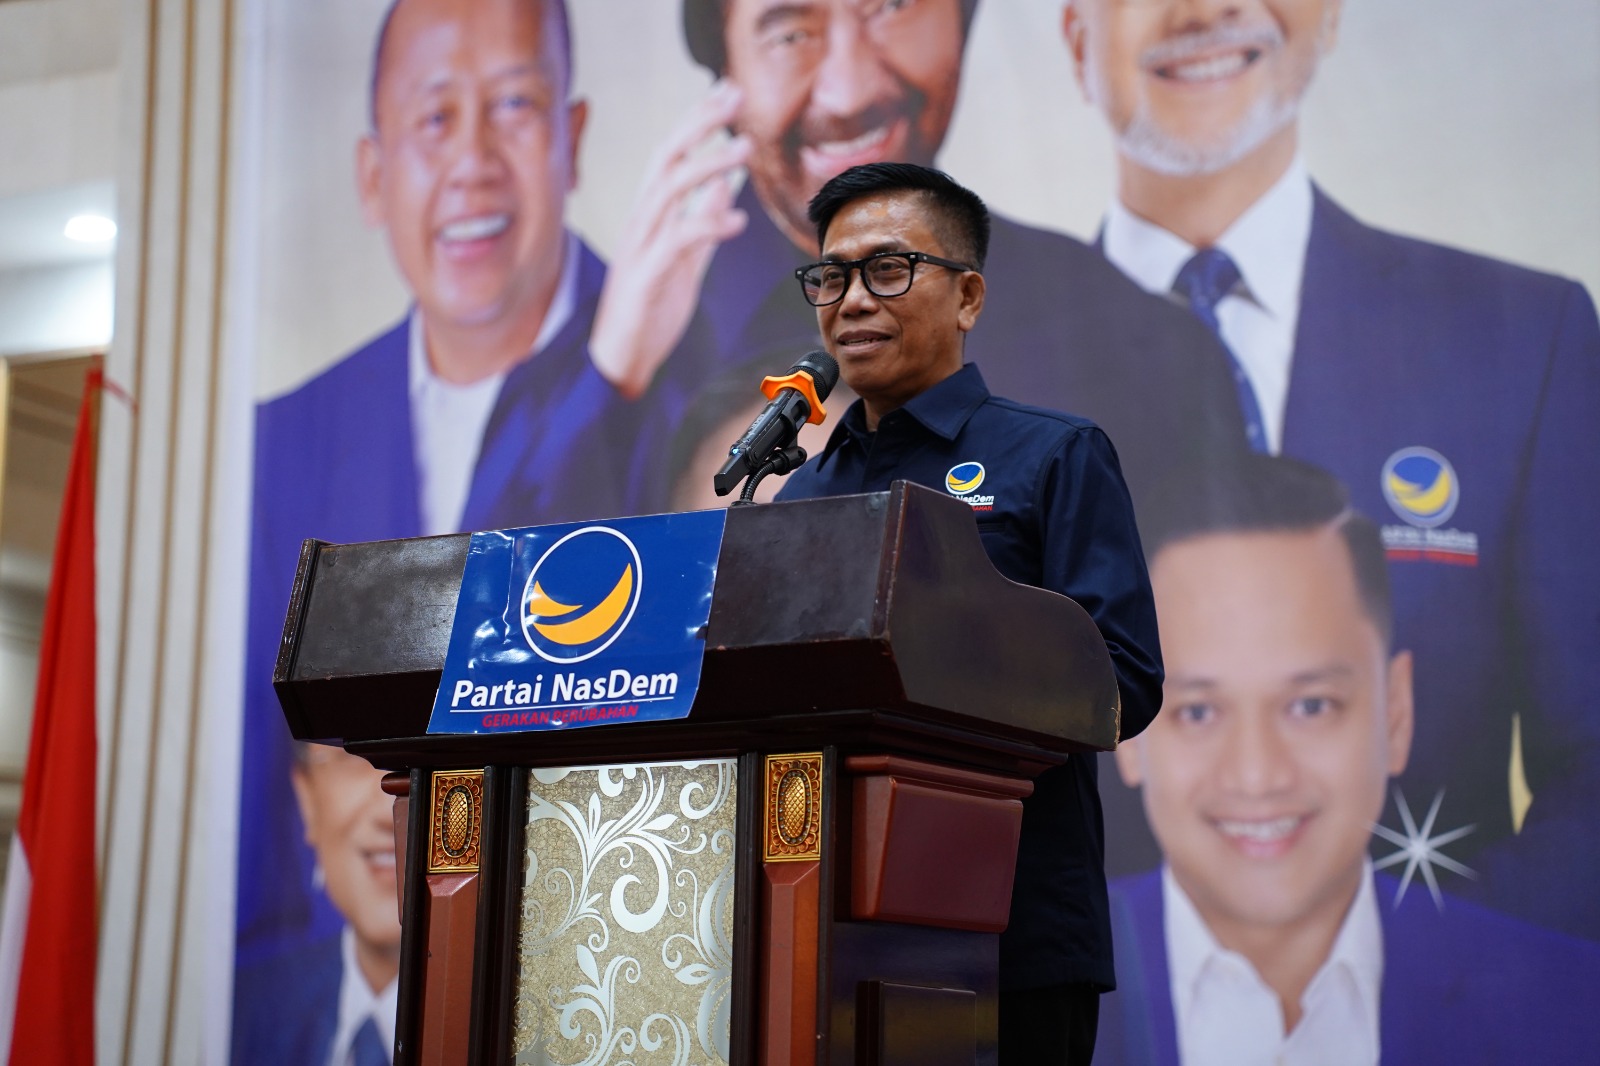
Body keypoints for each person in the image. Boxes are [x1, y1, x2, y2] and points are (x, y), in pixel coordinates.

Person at [1063, 0, 1600, 935]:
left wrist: (1425, 973)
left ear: (1331, 13)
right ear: (1077, 35)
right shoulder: (977, 369)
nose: (1205, 9)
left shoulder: (1522, 338)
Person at [238, 0, 642, 1018]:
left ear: (573, 137)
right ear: (373, 175)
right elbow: (259, 817)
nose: (472, 163)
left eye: (512, 107)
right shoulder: (276, 443)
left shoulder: (685, 396)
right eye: (433, 119)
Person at [775, 162, 1164, 1064]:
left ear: (968, 297)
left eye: (888, 269)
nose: (851, 301)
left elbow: (1125, 682)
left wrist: (939, 672)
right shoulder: (799, 494)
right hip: (825, 925)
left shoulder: (1053, 456)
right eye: (831, 277)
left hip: (1008, 926)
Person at [596, 0, 1251, 511]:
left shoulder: (1137, 341)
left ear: (963, 22)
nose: (849, 91)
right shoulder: (621, 370)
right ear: (725, 72)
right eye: (790, 33)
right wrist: (611, 387)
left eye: (892, 6)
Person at [1094, 454, 1600, 1065]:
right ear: (1126, 728)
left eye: (1310, 706)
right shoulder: (1015, 1000)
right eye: (1198, 712)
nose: (1257, 775)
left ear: (1396, 713)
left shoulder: (1575, 1013)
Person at [232, 745, 400, 1066]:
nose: (387, 810)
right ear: (307, 798)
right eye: (354, 755)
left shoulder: (505, 1022)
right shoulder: (247, 1008)